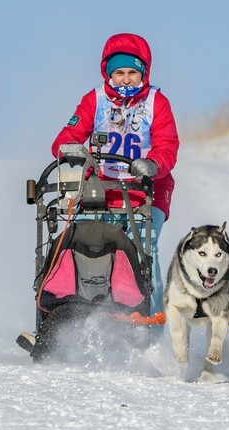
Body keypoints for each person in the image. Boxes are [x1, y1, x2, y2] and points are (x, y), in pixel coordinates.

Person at [51, 32, 179, 318]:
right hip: (100, 191)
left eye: (132, 72)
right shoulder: (93, 100)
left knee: (146, 250)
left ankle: (151, 317)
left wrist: (153, 164)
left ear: (144, 73)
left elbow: (168, 145)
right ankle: (71, 309)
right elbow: (66, 137)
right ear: (107, 73)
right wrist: (69, 147)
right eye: (118, 72)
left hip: (145, 193)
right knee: (81, 242)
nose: (125, 79)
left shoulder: (157, 103)